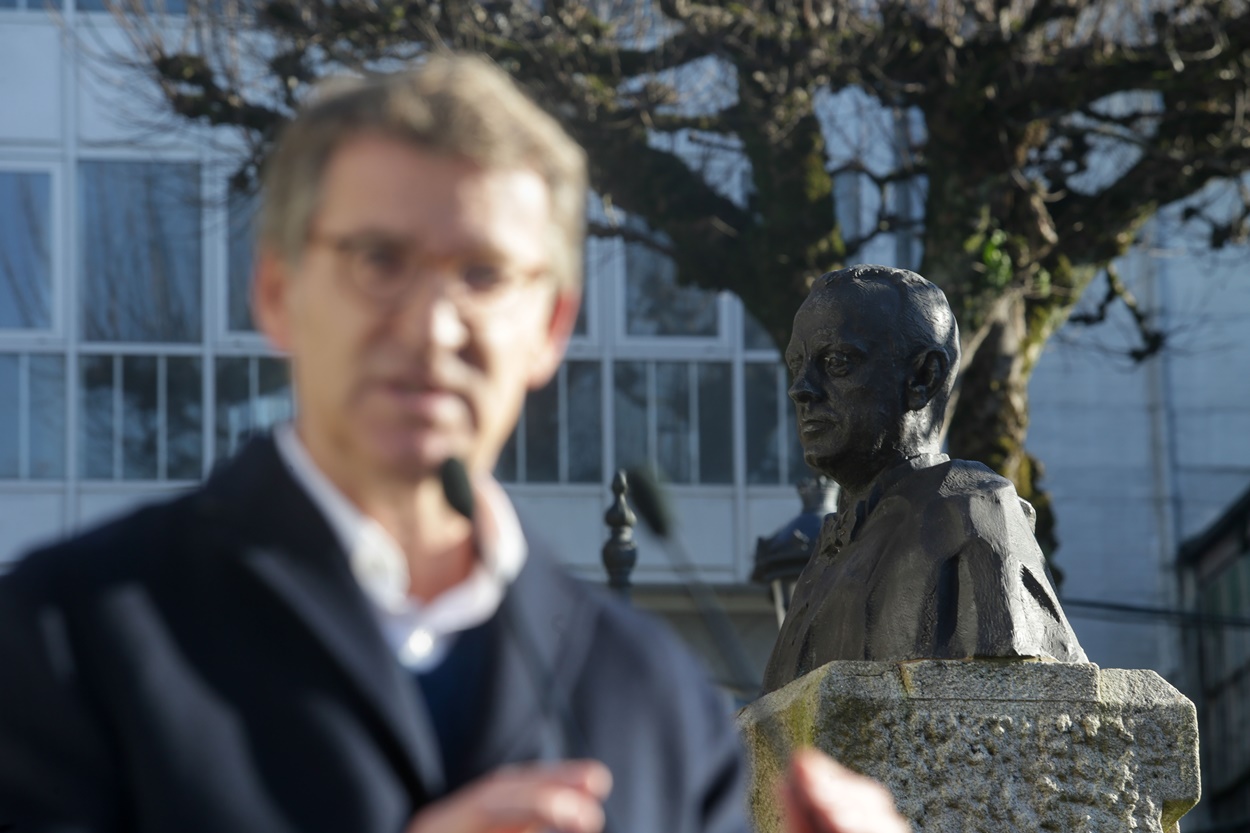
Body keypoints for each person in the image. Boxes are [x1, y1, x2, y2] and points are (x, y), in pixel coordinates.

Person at [0, 56, 908, 833]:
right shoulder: (65, 635)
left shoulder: (656, 700)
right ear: (276, 290)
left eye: (482, 273)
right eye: (380, 261)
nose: (435, 326)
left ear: (551, 325)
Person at [762, 265, 1086, 694]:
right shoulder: (827, 552)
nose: (801, 389)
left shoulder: (973, 514)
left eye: (837, 362)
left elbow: (1022, 708)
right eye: (797, 365)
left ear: (922, 378)